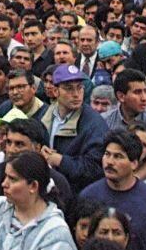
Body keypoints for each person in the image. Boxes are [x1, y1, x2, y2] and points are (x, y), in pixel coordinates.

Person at [80, 129, 146, 250]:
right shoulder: (88, 196)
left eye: (118, 156)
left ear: (134, 163)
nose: (110, 162)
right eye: (107, 154)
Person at [0, 152, 78, 250]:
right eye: (5, 176)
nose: (4, 184)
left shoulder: (55, 233)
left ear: (33, 186)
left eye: (12, 179)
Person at [0, 117, 74, 212]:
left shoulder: (58, 183)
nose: (11, 150)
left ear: (37, 148)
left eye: (19, 144)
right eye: (8, 142)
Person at [39, 63, 109, 192]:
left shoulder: (94, 124)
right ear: (55, 91)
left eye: (79, 88)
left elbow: (96, 169)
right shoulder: (45, 115)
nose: (76, 94)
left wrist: (60, 161)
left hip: (77, 194)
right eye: (69, 88)